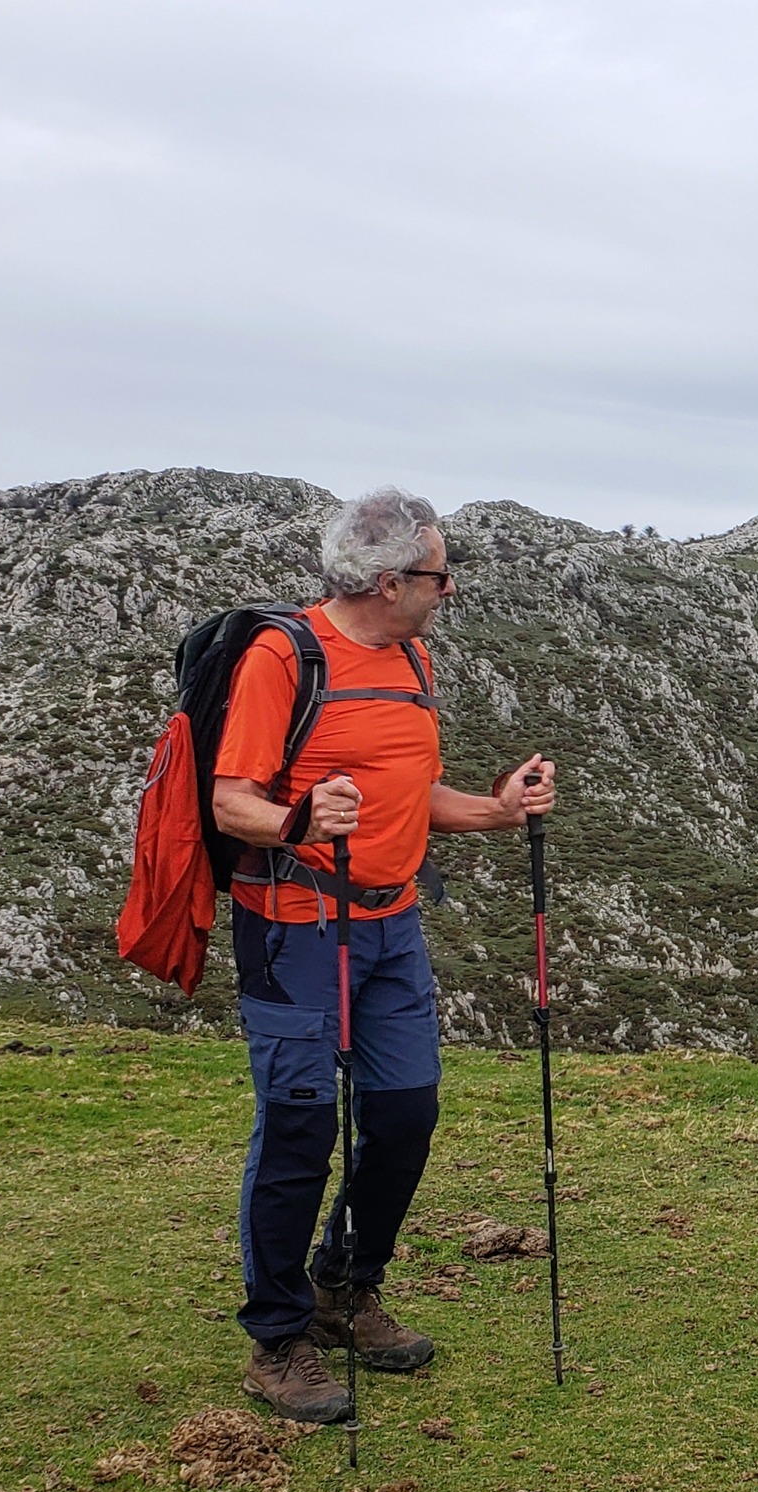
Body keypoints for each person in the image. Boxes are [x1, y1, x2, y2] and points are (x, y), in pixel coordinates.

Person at [211, 487, 556, 1422]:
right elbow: (230, 798)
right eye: (442, 575)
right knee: (298, 1128)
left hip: (391, 925)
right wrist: (297, 817)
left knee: (405, 1113)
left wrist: (497, 809)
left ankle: (343, 1288)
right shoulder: (283, 658)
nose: (449, 590)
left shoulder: (412, 658)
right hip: (294, 924)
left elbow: (411, 790)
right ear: (390, 578)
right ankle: (276, 1341)